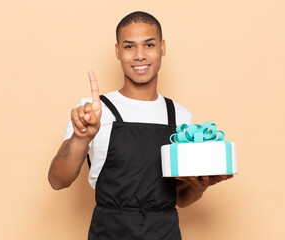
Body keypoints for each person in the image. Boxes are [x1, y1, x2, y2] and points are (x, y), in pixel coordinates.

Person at [48, 11, 233, 239]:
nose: (139, 55)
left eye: (149, 45)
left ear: (162, 47)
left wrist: (199, 186)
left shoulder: (180, 116)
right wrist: (81, 137)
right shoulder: (93, 111)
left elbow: (179, 199)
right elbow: (57, 181)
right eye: (129, 47)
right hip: (109, 233)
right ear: (117, 51)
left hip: (164, 233)